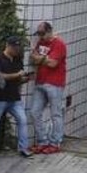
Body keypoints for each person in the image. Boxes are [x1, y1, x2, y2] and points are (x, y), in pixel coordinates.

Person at [0, 36, 31, 157]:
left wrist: (25, 79)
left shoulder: (17, 59)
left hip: (14, 97)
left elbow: (18, 78)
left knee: (22, 120)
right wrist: (17, 75)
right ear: (8, 46)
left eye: (17, 47)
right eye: (14, 47)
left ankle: (23, 148)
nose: (16, 49)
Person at [28, 21, 68, 154]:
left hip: (55, 83)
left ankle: (55, 142)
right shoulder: (41, 43)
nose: (40, 37)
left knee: (55, 113)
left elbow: (53, 63)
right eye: (38, 34)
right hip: (40, 82)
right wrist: (43, 58)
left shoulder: (59, 44)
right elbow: (32, 58)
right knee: (34, 112)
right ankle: (42, 141)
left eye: (42, 34)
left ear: (49, 31)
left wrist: (39, 58)